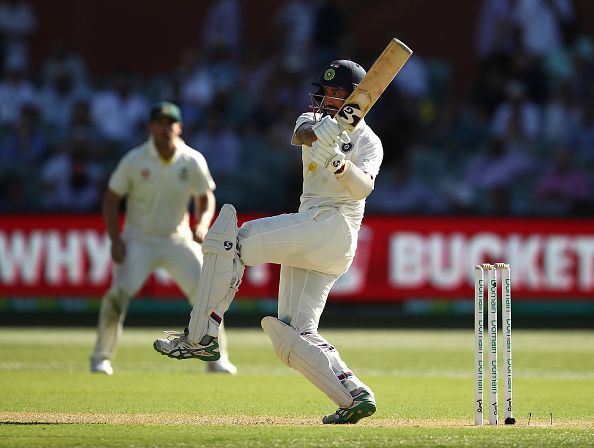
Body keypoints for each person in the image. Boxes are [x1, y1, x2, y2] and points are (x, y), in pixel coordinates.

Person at [153, 61, 382, 424]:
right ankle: (353, 394)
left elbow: (364, 187)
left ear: (356, 98)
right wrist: (322, 135)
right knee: (291, 336)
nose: (328, 97)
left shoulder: (369, 141)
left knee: (232, 241)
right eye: (327, 91)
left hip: (334, 227)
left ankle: (201, 335)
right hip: (315, 231)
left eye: (338, 92)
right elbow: (303, 133)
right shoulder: (314, 119)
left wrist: (339, 164)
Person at [90, 102, 237, 376]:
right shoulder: (134, 160)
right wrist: (116, 240)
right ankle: (101, 357)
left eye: (170, 122)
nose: (165, 127)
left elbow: (206, 197)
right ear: (151, 126)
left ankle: (216, 358)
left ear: (179, 127)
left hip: (177, 239)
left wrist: (202, 224)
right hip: (138, 239)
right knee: (117, 296)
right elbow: (111, 199)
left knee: (208, 294)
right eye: (159, 122)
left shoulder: (191, 159)